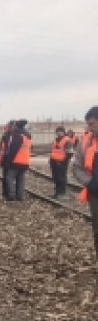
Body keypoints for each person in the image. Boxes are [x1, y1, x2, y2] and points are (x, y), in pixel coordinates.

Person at [73, 106, 98, 259]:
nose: (89, 127)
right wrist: (90, 183)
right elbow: (77, 168)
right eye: (88, 124)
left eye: (92, 124)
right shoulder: (85, 142)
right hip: (95, 192)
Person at [4, 119, 32, 201]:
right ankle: (20, 196)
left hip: (16, 161)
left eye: (14, 125)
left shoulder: (17, 135)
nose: (13, 127)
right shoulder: (28, 135)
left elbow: (13, 149)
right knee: (20, 178)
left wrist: (8, 161)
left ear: (17, 126)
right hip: (25, 161)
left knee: (9, 177)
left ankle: (11, 195)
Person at [50, 126, 74, 198]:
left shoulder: (67, 140)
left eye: (60, 131)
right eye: (58, 131)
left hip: (61, 162)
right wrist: (51, 159)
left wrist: (63, 162)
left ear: (63, 132)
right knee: (55, 177)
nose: (59, 133)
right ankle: (57, 192)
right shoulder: (55, 140)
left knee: (61, 177)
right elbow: (53, 151)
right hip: (54, 161)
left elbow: (70, 153)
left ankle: (62, 193)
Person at [0, 120, 15, 199]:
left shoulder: (6, 135)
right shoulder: (7, 135)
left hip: (8, 159)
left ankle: (7, 193)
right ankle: (6, 193)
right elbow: (0, 147)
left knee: (7, 177)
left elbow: (0, 147)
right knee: (6, 177)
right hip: (7, 159)